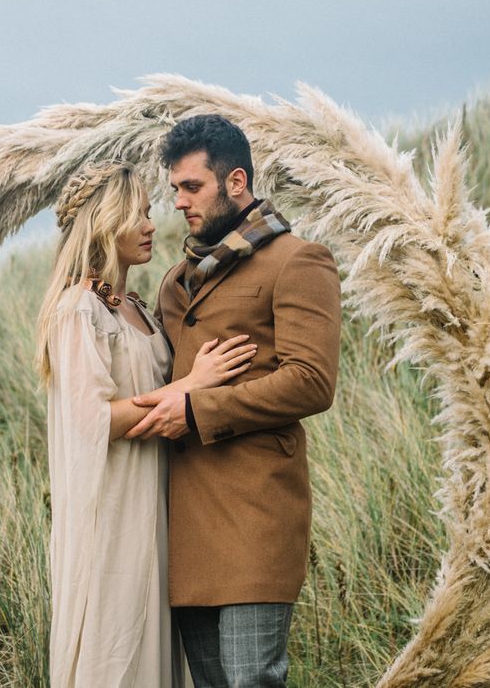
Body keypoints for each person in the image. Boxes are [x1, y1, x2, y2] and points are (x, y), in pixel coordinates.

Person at [126, 115, 342, 687]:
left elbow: (311, 381)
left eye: (191, 187)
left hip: (254, 515)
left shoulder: (299, 261)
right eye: (173, 189)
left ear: (237, 182)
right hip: (185, 522)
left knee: (253, 681)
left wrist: (199, 411)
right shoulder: (176, 281)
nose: (178, 201)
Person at [35, 160, 257, 687]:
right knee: (116, 648)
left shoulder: (137, 307)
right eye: (137, 214)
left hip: (156, 506)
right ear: (104, 224)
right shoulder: (76, 312)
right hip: (112, 513)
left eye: (149, 213)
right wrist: (191, 385)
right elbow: (94, 420)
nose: (151, 224)